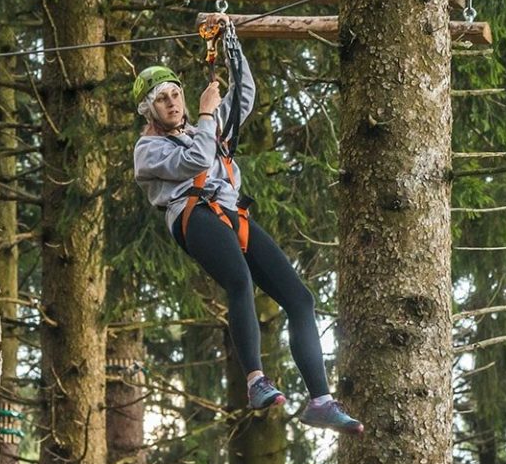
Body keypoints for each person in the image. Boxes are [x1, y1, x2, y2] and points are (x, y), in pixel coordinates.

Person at [131, 40, 363, 434]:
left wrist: (231, 43)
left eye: (175, 94)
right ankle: (256, 381)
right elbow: (197, 160)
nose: (172, 103)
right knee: (239, 281)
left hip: (231, 213)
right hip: (193, 215)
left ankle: (321, 401)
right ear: (148, 110)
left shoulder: (205, 123)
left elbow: (245, 95)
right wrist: (206, 114)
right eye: (162, 100)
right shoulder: (147, 149)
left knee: (299, 298)